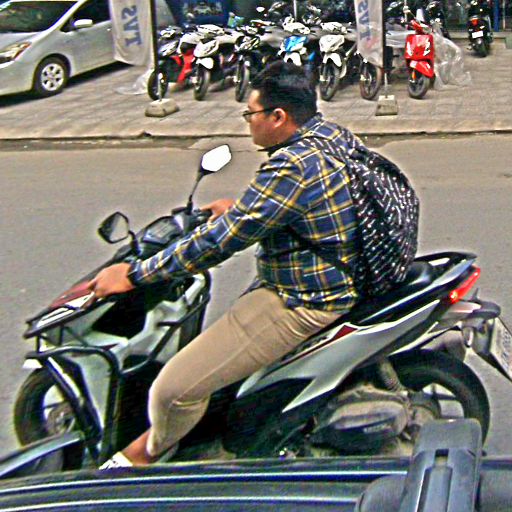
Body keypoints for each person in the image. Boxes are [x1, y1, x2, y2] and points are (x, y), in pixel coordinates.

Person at [93, 61, 370, 468]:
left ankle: (149, 456)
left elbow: (219, 243)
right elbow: (289, 204)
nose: (248, 123)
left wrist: (135, 274)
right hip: (333, 271)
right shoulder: (327, 135)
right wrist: (241, 209)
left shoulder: (292, 165)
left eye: (250, 114)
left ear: (278, 117)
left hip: (305, 297)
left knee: (173, 391)